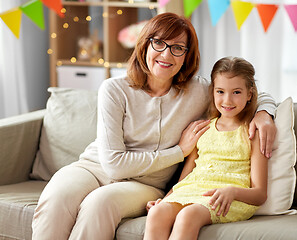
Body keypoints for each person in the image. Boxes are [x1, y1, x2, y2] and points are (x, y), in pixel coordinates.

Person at [32, 13, 275, 240]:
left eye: (178, 48)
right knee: (56, 198)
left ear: (186, 56)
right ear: (145, 45)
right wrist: (178, 152)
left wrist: (265, 113)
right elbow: (113, 165)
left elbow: (243, 91)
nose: (166, 55)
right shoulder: (114, 89)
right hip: (93, 167)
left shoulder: (199, 91)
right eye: (159, 43)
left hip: (145, 184)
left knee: (99, 204)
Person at [144, 57, 268, 240]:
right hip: (193, 190)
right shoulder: (203, 129)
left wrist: (232, 191)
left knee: (188, 215)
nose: (227, 100)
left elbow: (260, 194)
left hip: (228, 197)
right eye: (220, 91)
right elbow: (185, 179)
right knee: (157, 213)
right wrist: (167, 199)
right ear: (212, 92)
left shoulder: (252, 132)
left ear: (249, 94)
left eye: (236, 92)